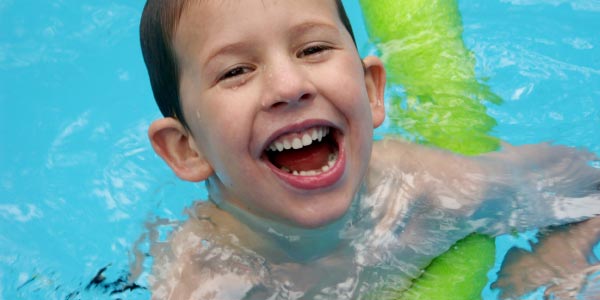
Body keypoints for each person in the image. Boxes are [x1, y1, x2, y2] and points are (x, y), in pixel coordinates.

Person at [139, 0, 600, 298]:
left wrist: (563, 248)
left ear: (371, 90)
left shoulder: (421, 193)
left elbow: (586, 183)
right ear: (185, 149)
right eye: (236, 71)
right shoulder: (206, 283)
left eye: (313, 49)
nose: (289, 85)